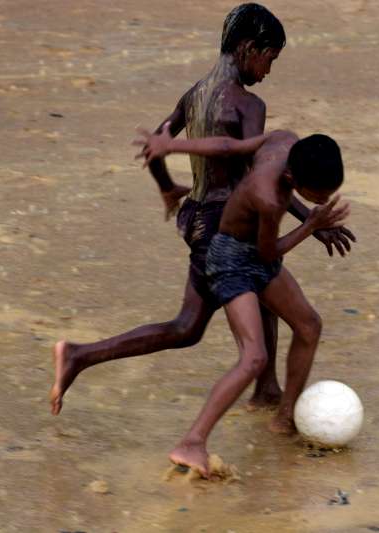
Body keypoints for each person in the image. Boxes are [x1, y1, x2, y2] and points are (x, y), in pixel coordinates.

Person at [49, 3, 355, 416]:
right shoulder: (248, 106)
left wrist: (167, 189)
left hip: (195, 218)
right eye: (269, 58)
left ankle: (80, 356)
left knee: (195, 323)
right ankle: (260, 391)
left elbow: (155, 145)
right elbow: (262, 174)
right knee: (242, 298)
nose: (267, 71)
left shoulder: (195, 93)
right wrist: (312, 224)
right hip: (227, 227)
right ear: (248, 48)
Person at [135, 125, 348, 476]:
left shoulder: (283, 141)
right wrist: (311, 225)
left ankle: (284, 418)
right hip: (231, 261)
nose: (323, 201)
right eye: (319, 195)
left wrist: (171, 144)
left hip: (258, 254)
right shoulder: (269, 197)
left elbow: (228, 146)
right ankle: (192, 442)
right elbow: (267, 253)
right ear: (294, 178)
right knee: (254, 357)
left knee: (309, 325)